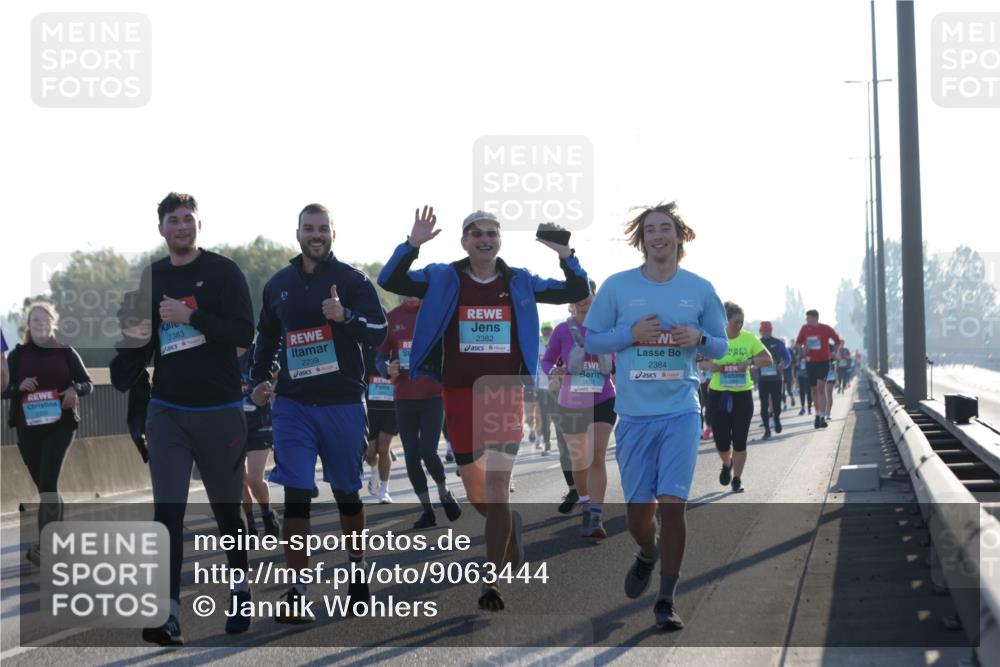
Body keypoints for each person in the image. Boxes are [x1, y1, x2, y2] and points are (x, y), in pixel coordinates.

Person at [379, 206, 588, 611]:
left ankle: (490, 580)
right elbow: (389, 279)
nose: (485, 239)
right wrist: (412, 244)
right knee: (478, 495)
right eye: (477, 233)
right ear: (465, 242)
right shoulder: (443, 277)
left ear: (500, 240)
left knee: (496, 488)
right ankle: (508, 524)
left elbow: (574, 290)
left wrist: (566, 255)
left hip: (503, 394)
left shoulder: (519, 281)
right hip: (457, 394)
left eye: (492, 233)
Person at [113, 192, 255, 644]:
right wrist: (133, 335)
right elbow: (141, 348)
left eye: (187, 219)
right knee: (167, 512)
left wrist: (192, 316)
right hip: (168, 410)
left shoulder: (223, 271)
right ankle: (167, 613)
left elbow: (243, 333)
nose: (181, 227)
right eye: (173, 220)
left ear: (199, 224)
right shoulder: (151, 276)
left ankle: (240, 589)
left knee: (226, 512)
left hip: (220, 409)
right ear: (161, 229)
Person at [583, 201, 727, 631]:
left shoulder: (700, 288)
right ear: (641, 240)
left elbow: (720, 345)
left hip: (681, 410)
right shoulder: (618, 287)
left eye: (666, 228)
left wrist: (699, 337)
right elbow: (593, 340)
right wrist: (630, 334)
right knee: (638, 517)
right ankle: (647, 552)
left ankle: (666, 600)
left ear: (679, 237)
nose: (658, 236)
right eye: (650, 230)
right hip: (634, 415)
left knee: (673, 507)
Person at [251, 202, 387, 622]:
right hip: (293, 404)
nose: (316, 235)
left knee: (346, 491)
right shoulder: (279, 284)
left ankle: (357, 571)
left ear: (333, 234)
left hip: (342, 402)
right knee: (295, 493)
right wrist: (259, 379)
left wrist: (345, 316)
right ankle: (297, 591)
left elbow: (379, 332)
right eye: (309, 228)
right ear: (297, 234)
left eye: (323, 228)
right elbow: (267, 337)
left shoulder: (353, 280)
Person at [2, 302, 92, 567]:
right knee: (45, 489)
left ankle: (46, 547)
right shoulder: (18, 355)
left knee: (49, 485)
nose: (40, 324)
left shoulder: (66, 352)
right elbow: (3, 389)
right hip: (27, 430)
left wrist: (74, 390)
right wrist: (19, 386)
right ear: (28, 326)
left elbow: (88, 383)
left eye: (45, 320)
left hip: (60, 426)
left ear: (54, 322)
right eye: (35, 321)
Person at [377, 295, 461, 528]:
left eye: (414, 290)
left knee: (428, 450)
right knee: (411, 455)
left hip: (433, 395)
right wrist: (386, 368)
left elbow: (453, 348)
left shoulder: (435, 314)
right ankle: (427, 511)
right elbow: (380, 357)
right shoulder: (392, 318)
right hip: (404, 398)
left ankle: (444, 492)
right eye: (404, 291)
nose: (409, 295)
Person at [543, 279, 616, 539]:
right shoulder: (562, 330)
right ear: (571, 301)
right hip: (571, 402)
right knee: (579, 458)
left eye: (588, 294)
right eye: (579, 295)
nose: (584, 300)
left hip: (603, 398)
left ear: (595, 296)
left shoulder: (608, 327)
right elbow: (548, 360)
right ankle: (585, 501)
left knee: (597, 456)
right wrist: (553, 373)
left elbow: (618, 359)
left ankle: (595, 514)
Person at [701, 302, 773, 492]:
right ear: (725, 321)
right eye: (736, 322)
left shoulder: (749, 339)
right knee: (721, 440)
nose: (739, 325)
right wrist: (712, 366)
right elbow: (699, 362)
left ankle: (737, 479)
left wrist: (750, 362)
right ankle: (727, 464)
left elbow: (768, 359)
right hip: (719, 394)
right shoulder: (715, 339)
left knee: (740, 440)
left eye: (742, 322)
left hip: (742, 394)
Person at [238, 345, 280, 537]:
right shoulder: (219, 353)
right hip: (231, 426)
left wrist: (270, 390)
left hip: (260, 425)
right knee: (240, 481)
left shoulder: (259, 352)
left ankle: (267, 512)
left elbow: (278, 375)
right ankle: (249, 523)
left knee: (255, 479)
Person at [795, 310, 841, 428]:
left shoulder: (825, 328)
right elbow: (798, 343)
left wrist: (835, 352)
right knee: (814, 389)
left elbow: (837, 341)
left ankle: (822, 417)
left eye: (808, 318)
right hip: (810, 362)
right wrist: (802, 350)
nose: (807, 321)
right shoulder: (805, 329)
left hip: (823, 362)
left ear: (815, 318)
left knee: (821, 387)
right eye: (806, 319)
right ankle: (817, 413)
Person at [363, 343, 397, 504]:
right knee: (370, 453)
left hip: (391, 404)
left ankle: (384, 490)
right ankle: (375, 471)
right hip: (369, 404)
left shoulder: (394, 341)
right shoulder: (365, 341)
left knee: (384, 448)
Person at [756, 321, 791, 440]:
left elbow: (787, 358)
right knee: (764, 405)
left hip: (776, 379)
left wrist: (783, 364)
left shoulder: (778, 343)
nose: (766, 332)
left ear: (771, 330)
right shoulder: (757, 343)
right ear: (761, 331)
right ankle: (767, 430)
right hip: (763, 379)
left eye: (768, 330)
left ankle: (776, 418)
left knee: (777, 403)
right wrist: (753, 365)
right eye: (764, 330)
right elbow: (750, 357)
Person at [795, 347, 813, 415]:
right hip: (800, 375)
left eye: (805, 349)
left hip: (808, 375)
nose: (804, 350)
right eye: (802, 349)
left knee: (809, 392)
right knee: (801, 392)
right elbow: (796, 366)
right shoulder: (799, 355)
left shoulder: (811, 355)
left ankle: (809, 408)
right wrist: (798, 361)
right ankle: (802, 408)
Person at [782, 338, 796, 408]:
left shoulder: (789, 350)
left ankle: (792, 397)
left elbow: (793, 362)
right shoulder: (777, 350)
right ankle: (784, 404)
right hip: (780, 372)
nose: (782, 343)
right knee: (782, 390)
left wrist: (793, 375)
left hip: (788, 371)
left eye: (783, 342)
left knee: (788, 389)